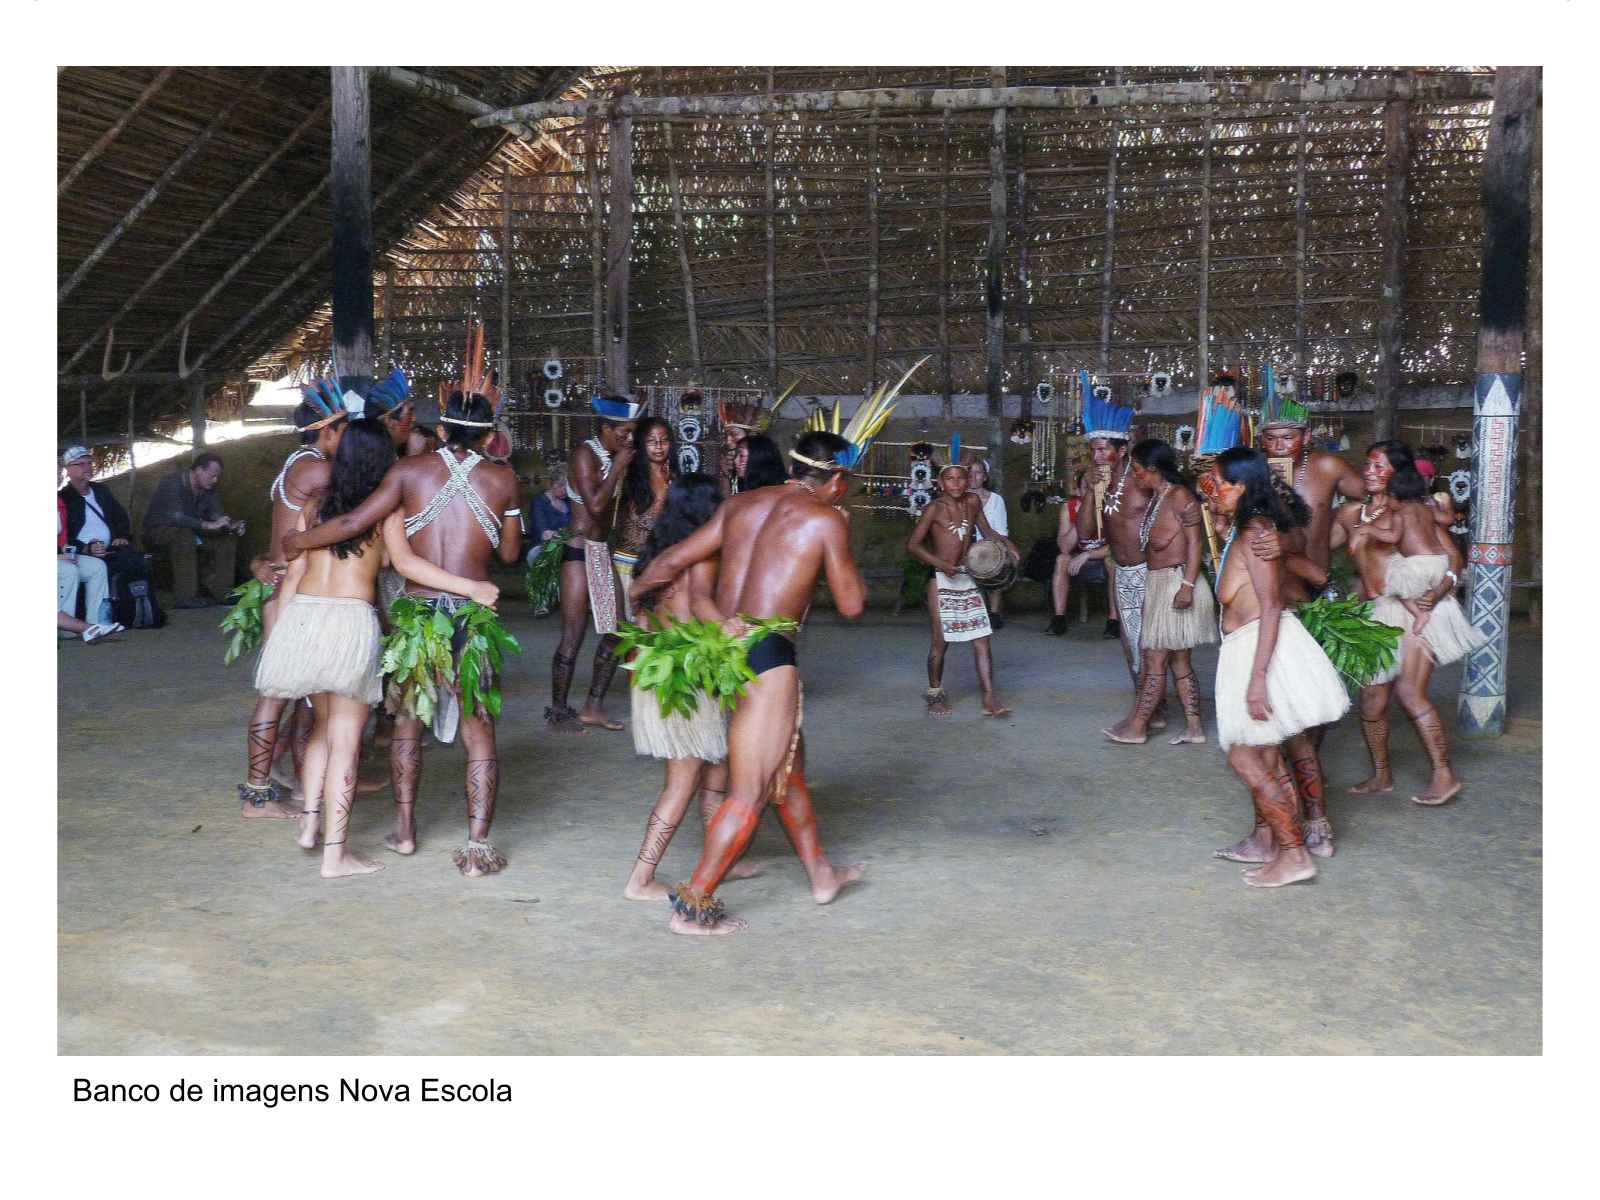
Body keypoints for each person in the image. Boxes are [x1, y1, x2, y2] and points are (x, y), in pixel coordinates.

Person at [628, 429, 870, 935]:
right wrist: (840, 539)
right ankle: (692, 908)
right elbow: (852, 605)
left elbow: (668, 563)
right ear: (837, 481)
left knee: (789, 766)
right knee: (750, 790)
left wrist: (631, 610)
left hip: (722, 656)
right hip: (766, 654)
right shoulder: (825, 518)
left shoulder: (740, 505)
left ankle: (821, 873)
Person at [285, 389, 523, 875]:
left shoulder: (407, 473)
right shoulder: (503, 480)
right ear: (490, 436)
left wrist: (297, 542)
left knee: (408, 725)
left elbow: (353, 521)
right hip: (469, 615)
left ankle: (405, 831)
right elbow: (511, 556)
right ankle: (477, 848)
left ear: (440, 431)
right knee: (479, 733)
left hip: (418, 615)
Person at [1203, 446, 1350, 888]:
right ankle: (1279, 848)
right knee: (1266, 754)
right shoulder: (1247, 530)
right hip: (1245, 648)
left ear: (1242, 486)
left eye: (1217, 483)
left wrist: (1258, 678)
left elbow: (1271, 605)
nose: (1210, 491)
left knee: (1247, 756)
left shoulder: (1257, 532)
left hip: (1259, 650)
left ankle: (1294, 855)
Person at [1335, 440, 1481, 806]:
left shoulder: (1413, 511)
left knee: (1409, 693)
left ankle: (1444, 774)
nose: (1369, 472)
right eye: (1367, 465)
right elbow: (1318, 553)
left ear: (1397, 473)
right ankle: (1381, 775)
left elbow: (1452, 559)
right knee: (1371, 700)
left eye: (1378, 466)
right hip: (1373, 612)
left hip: (1412, 610)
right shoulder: (1353, 513)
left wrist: (1440, 591)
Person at [622, 474, 736, 901]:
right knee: (681, 782)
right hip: (685, 684)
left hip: (662, 676)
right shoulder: (702, 560)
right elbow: (704, 607)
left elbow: (640, 612)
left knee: (717, 767)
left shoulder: (658, 556)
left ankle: (727, 858)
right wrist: (730, 626)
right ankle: (640, 880)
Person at [236, 396, 346, 819]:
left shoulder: (295, 463)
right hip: (292, 590)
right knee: (279, 693)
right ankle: (256, 797)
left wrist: (259, 562)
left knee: (301, 696)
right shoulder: (319, 469)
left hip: (280, 582)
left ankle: (299, 783)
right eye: (343, 430)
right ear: (327, 430)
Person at [1103, 439, 1214, 746]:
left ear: (1153, 469)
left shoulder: (1179, 496)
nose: (1135, 475)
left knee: (1153, 659)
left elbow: (1196, 542)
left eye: (1137, 469)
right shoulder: (1159, 497)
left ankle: (1136, 726)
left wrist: (1187, 586)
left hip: (1176, 582)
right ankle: (1194, 728)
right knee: (1179, 662)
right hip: (1162, 582)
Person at [546, 397, 641, 735]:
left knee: (617, 633)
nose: (629, 439)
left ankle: (592, 706)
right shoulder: (584, 455)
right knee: (574, 634)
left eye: (632, 433)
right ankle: (558, 713)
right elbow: (596, 504)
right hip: (578, 550)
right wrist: (618, 467)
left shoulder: (611, 455)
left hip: (600, 552)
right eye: (624, 433)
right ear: (606, 429)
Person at [1075, 403, 1164, 724]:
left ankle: (1153, 706)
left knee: (1155, 640)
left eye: (1102, 450)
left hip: (1154, 570)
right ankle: (1145, 702)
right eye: (1093, 450)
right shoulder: (1096, 482)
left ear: (1123, 449)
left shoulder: (1144, 478)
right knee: (1131, 641)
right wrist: (1088, 491)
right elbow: (1085, 534)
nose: (1096, 456)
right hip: (1123, 571)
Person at [906, 461, 1018, 716]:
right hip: (941, 580)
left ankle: (989, 698)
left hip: (967, 577)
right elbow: (913, 545)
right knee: (941, 641)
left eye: (961, 479)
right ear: (940, 483)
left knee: (982, 640)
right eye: (950, 479)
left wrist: (1008, 545)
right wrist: (942, 563)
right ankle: (935, 695)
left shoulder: (973, 503)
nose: (956, 484)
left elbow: (987, 530)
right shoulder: (934, 509)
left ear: (968, 481)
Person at [59, 445, 148, 625]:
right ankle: (78, 622)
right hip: (80, 551)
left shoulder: (100, 491)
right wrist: (86, 548)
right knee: (100, 567)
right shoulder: (65, 497)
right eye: (81, 464)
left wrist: (122, 535)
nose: (87, 467)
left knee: (141, 562)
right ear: (68, 470)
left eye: (89, 463)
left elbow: (120, 515)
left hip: (109, 548)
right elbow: (64, 535)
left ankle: (132, 613)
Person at [142, 452, 244, 609]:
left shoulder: (210, 488)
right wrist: (206, 525)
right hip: (159, 532)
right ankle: (186, 597)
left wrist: (232, 524)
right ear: (198, 470)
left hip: (192, 531)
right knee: (184, 537)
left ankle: (223, 592)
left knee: (226, 538)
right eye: (212, 476)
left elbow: (217, 514)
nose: (215, 480)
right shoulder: (172, 482)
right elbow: (175, 517)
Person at [612, 417, 677, 623]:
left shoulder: (675, 480)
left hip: (658, 565)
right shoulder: (627, 476)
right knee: (620, 635)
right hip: (627, 563)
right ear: (642, 444)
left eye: (663, 440)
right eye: (651, 441)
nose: (658, 447)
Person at [58, 495, 123, 643]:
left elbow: (62, 538)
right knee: (68, 570)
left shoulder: (59, 501)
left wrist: (69, 551)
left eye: (60, 471)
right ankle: (67, 627)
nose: (57, 475)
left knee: (96, 566)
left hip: (59, 554)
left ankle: (98, 621)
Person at [964, 459, 1010, 629]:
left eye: (978, 473)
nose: (973, 476)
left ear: (984, 477)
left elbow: (1000, 532)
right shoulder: (958, 498)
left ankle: (994, 612)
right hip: (964, 546)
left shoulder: (995, 500)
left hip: (989, 544)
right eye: (970, 472)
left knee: (993, 561)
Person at [525, 465, 574, 617]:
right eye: (567, 487)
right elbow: (544, 533)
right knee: (544, 558)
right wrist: (564, 534)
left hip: (567, 544)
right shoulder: (539, 503)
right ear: (555, 485)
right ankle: (543, 601)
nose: (569, 491)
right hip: (543, 547)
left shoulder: (568, 502)